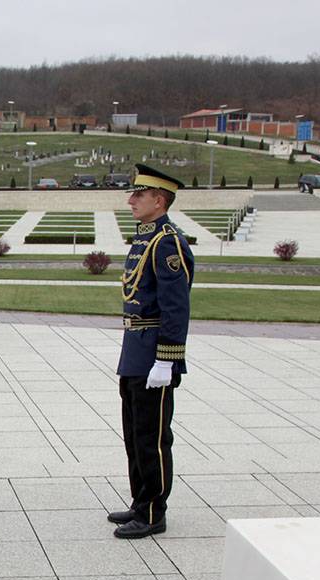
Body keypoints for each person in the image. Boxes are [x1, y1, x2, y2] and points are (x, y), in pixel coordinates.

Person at [109, 164, 194, 539]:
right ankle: (140, 501)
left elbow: (176, 306)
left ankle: (154, 511)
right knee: (133, 433)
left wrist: (167, 358)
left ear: (158, 200)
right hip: (135, 351)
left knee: (152, 436)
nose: (131, 200)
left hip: (155, 353)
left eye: (138, 195)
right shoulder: (145, 238)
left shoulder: (167, 242)